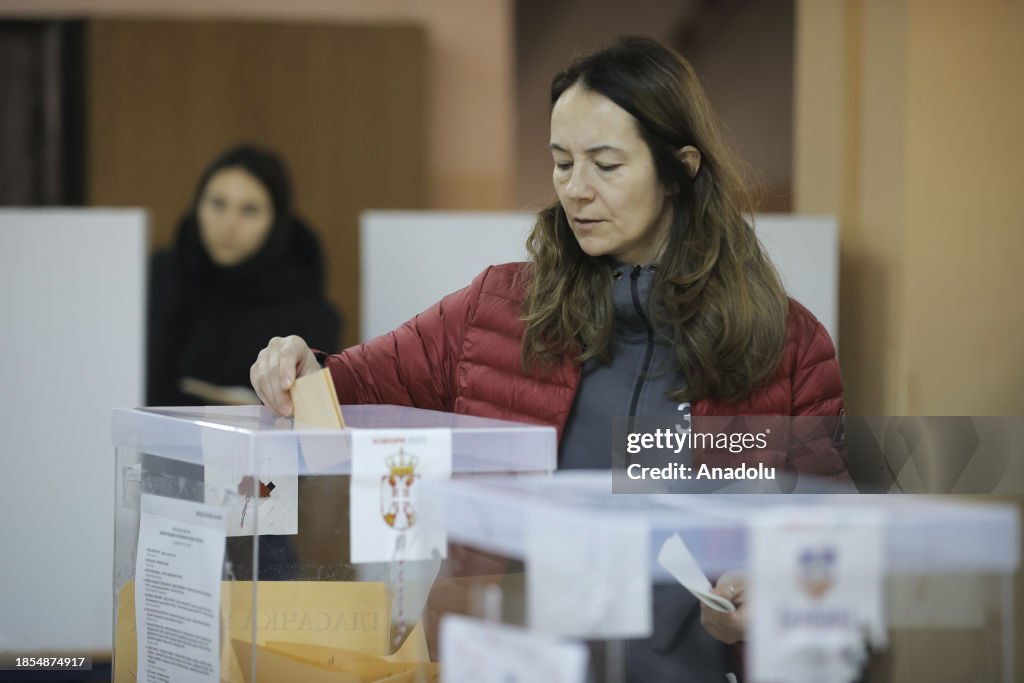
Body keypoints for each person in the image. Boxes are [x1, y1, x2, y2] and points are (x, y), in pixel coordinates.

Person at [250, 36, 848, 681]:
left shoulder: (785, 342)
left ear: (680, 169)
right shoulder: (496, 310)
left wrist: (772, 588)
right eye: (562, 163)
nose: (575, 190)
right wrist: (294, 364)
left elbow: (830, 539)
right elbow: (349, 384)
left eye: (606, 165)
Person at [147, 144, 340, 406]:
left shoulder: (305, 310)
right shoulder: (159, 280)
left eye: (249, 210)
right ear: (197, 206)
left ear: (275, 220)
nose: (229, 223)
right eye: (218, 204)